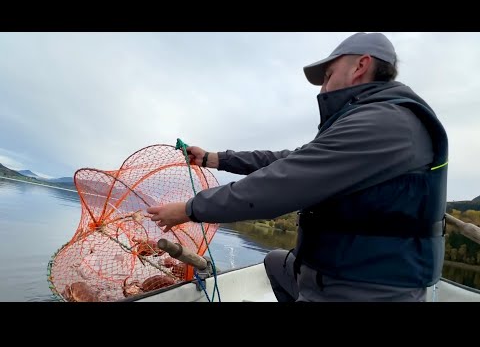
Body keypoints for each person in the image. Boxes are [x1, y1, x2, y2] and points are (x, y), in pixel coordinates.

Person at [147, 32, 448, 302]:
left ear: (360, 66)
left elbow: (279, 184)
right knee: (275, 261)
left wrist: (189, 209)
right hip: (332, 269)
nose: (322, 90)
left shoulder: (384, 124)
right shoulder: (370, 120)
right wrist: (214, 158)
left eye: (328, 76)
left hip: (367, 286)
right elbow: (285, 160)